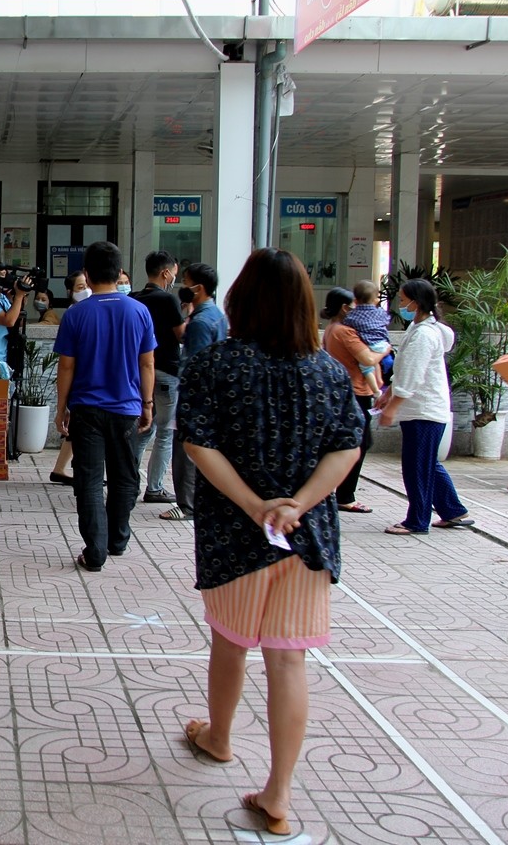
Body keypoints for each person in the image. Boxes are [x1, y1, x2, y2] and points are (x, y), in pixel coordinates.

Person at [176, 248, 363, 838]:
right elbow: (347, 446)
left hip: (237, 536)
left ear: (239, 299)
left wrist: (256, 505)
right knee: (289, 659)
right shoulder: (329, 371)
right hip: (307, 539)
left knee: (230, 642)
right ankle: (278, 794)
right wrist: (298, 504)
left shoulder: (216, 365)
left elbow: (198, 444)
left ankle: (219, 737)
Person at [53, 241, 155, 569]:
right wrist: (148, 404)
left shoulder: (76, 313)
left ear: (87, 273)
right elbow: (147, 365)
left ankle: (95, 549)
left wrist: (61, 407)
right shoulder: (139, 311)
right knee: (125, 477)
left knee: (90, 479)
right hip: (126, 409)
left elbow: (66, 366)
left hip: (87, 409)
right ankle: (117, 539)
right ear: (120, 272)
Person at [376, 279, 474, 535]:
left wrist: (391, 407)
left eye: (403, 299)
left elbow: (412, 376)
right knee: (427, 463)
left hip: (424, 411)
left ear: (416, 303)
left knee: (417, 467)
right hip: (422, 410)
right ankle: (453, 510)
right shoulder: (418, 328)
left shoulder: (424, 335)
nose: (400, 304)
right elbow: (404, 372)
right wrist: (388, 396)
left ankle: (417, 520)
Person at [161, 262, 228, 522]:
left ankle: (186, 505)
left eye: (186, 282)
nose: (183, 287)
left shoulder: (200, 323)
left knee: (185, 452)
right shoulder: (215, 315)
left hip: (197, 398)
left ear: (198, 288)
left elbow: (195, 365)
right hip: (210, 397)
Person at [320, 288, 387, 514]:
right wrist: (386, 349)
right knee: (359, 444)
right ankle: (345, 496)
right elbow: (367, 358)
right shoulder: (345, 332)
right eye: (354, 305)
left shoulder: (331, 330)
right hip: (355, 393)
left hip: (345, 392)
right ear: (345, 308)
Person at [130, 250, 186, 503]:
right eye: (174, 273)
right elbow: (181, 335)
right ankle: (154, 488)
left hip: (140, 372)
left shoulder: (133, 298)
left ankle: (128, 482)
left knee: (143, 428)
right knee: (164, 431)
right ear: (165, 272)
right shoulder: (168, 300)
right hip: (166, 371)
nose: (175, 278)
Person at [49, 270, 91, 486]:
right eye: (80, 287)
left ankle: (60, 469)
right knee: (76, 426)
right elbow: (65, 362)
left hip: (83, 380)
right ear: (70, 291)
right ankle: (65, 470)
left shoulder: (88, 309)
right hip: (80, 380)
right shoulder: (75, 314)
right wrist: (61, 404)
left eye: (86, 285)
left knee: (75, 426)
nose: (85, 291)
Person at [341, 280, 392, 396]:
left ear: (355, 301)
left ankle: (376, 391)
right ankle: (380, 382)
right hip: (383, 344)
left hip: (368, 346)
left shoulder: (351, 316)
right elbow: (386, 320)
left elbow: (346, 323)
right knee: (377, 363)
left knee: (366, 368)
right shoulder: (380, 313)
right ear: (376, 301)